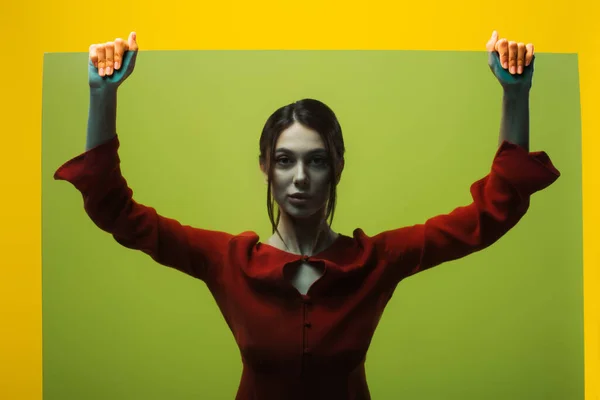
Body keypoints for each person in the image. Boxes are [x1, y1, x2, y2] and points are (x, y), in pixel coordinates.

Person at [54, 30, 560, 400]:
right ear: (265, 169)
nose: (300, 177)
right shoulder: (227, 261)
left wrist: (515, 91)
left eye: (316, 160)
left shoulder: (376, 260)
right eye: (284, 160)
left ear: (337, 167)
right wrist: (103, 94)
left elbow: (491, 212)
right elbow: (114, 210)